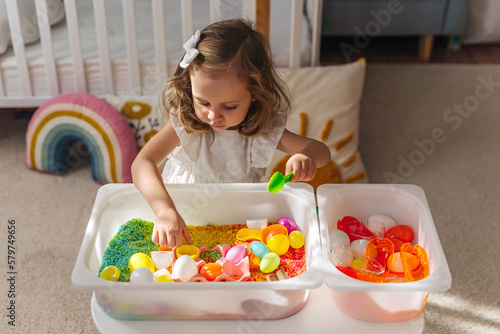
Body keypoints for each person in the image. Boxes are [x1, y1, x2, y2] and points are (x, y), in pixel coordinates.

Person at [132, 19, 331, 248]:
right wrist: (164, 210)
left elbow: (322, 151)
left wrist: (305, 156)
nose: (213, 116)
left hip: (236, 216)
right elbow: (142, 163)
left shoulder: (264, 129)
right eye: (203, 102)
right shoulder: (187, 122)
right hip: (184, 215)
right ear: (189, 85)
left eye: (229, 107)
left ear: (255, 92)